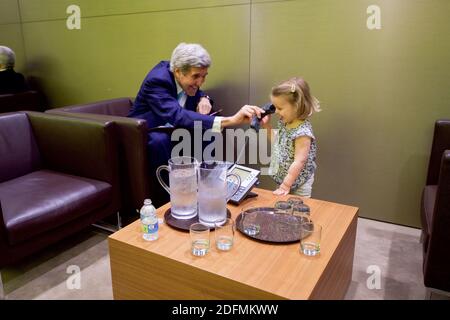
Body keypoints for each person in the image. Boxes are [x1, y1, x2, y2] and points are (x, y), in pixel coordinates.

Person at [128, 42, 264, 206]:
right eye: (196, 76)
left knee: (206, 132)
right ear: (177, 71)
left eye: (204, 76)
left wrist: (204, 98)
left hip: (174, 129)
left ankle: (206, 188)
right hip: (146, 131)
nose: (201, 81)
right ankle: (167, 202)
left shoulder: (184, 72)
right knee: (160, 141)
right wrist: (231, 120)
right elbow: (177, 116)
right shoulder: (158, 80)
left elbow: (196, 90)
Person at [261, 77, 321, 198]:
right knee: (281, 207)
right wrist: (266, 126)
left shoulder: (303, 133)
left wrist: (286, 185)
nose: (276, 111)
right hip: (283, 179)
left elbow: (300, 161)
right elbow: (276, 143)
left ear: (297, 106)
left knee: (297, 209)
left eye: (280, 108)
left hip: (299, 183)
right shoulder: (284, 122)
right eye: (275, 107)